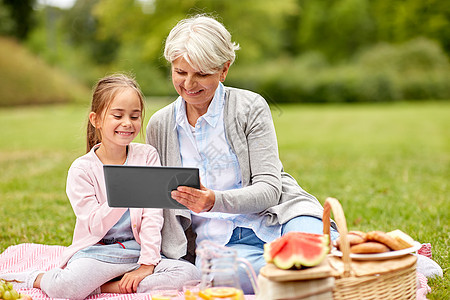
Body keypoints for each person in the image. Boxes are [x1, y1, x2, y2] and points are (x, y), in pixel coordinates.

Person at [147, 15, 338, 294]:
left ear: (224, 70)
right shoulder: (160, 126)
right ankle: (318, 277)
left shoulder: (249, 107)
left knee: (312, 249)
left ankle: (321, 269)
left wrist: (214, 200)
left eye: (201, 73)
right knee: (232, 276)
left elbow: (271, 190)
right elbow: (158, 199)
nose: (189, 84)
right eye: (180, 72)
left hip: (280, 216)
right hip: (218, 241)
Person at [1, 74, 200, 300]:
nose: (127, 123)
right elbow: (95, 227)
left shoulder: (147, 156)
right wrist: (126, 192)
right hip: (98, 254)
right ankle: (38, 277)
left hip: (136, 253)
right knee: (64, 288)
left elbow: (153, 217)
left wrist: (147, 264)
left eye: (135, 116)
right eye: (118, 115)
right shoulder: (82, 170)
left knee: (189, 273)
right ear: (96, 120)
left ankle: (107, 286)